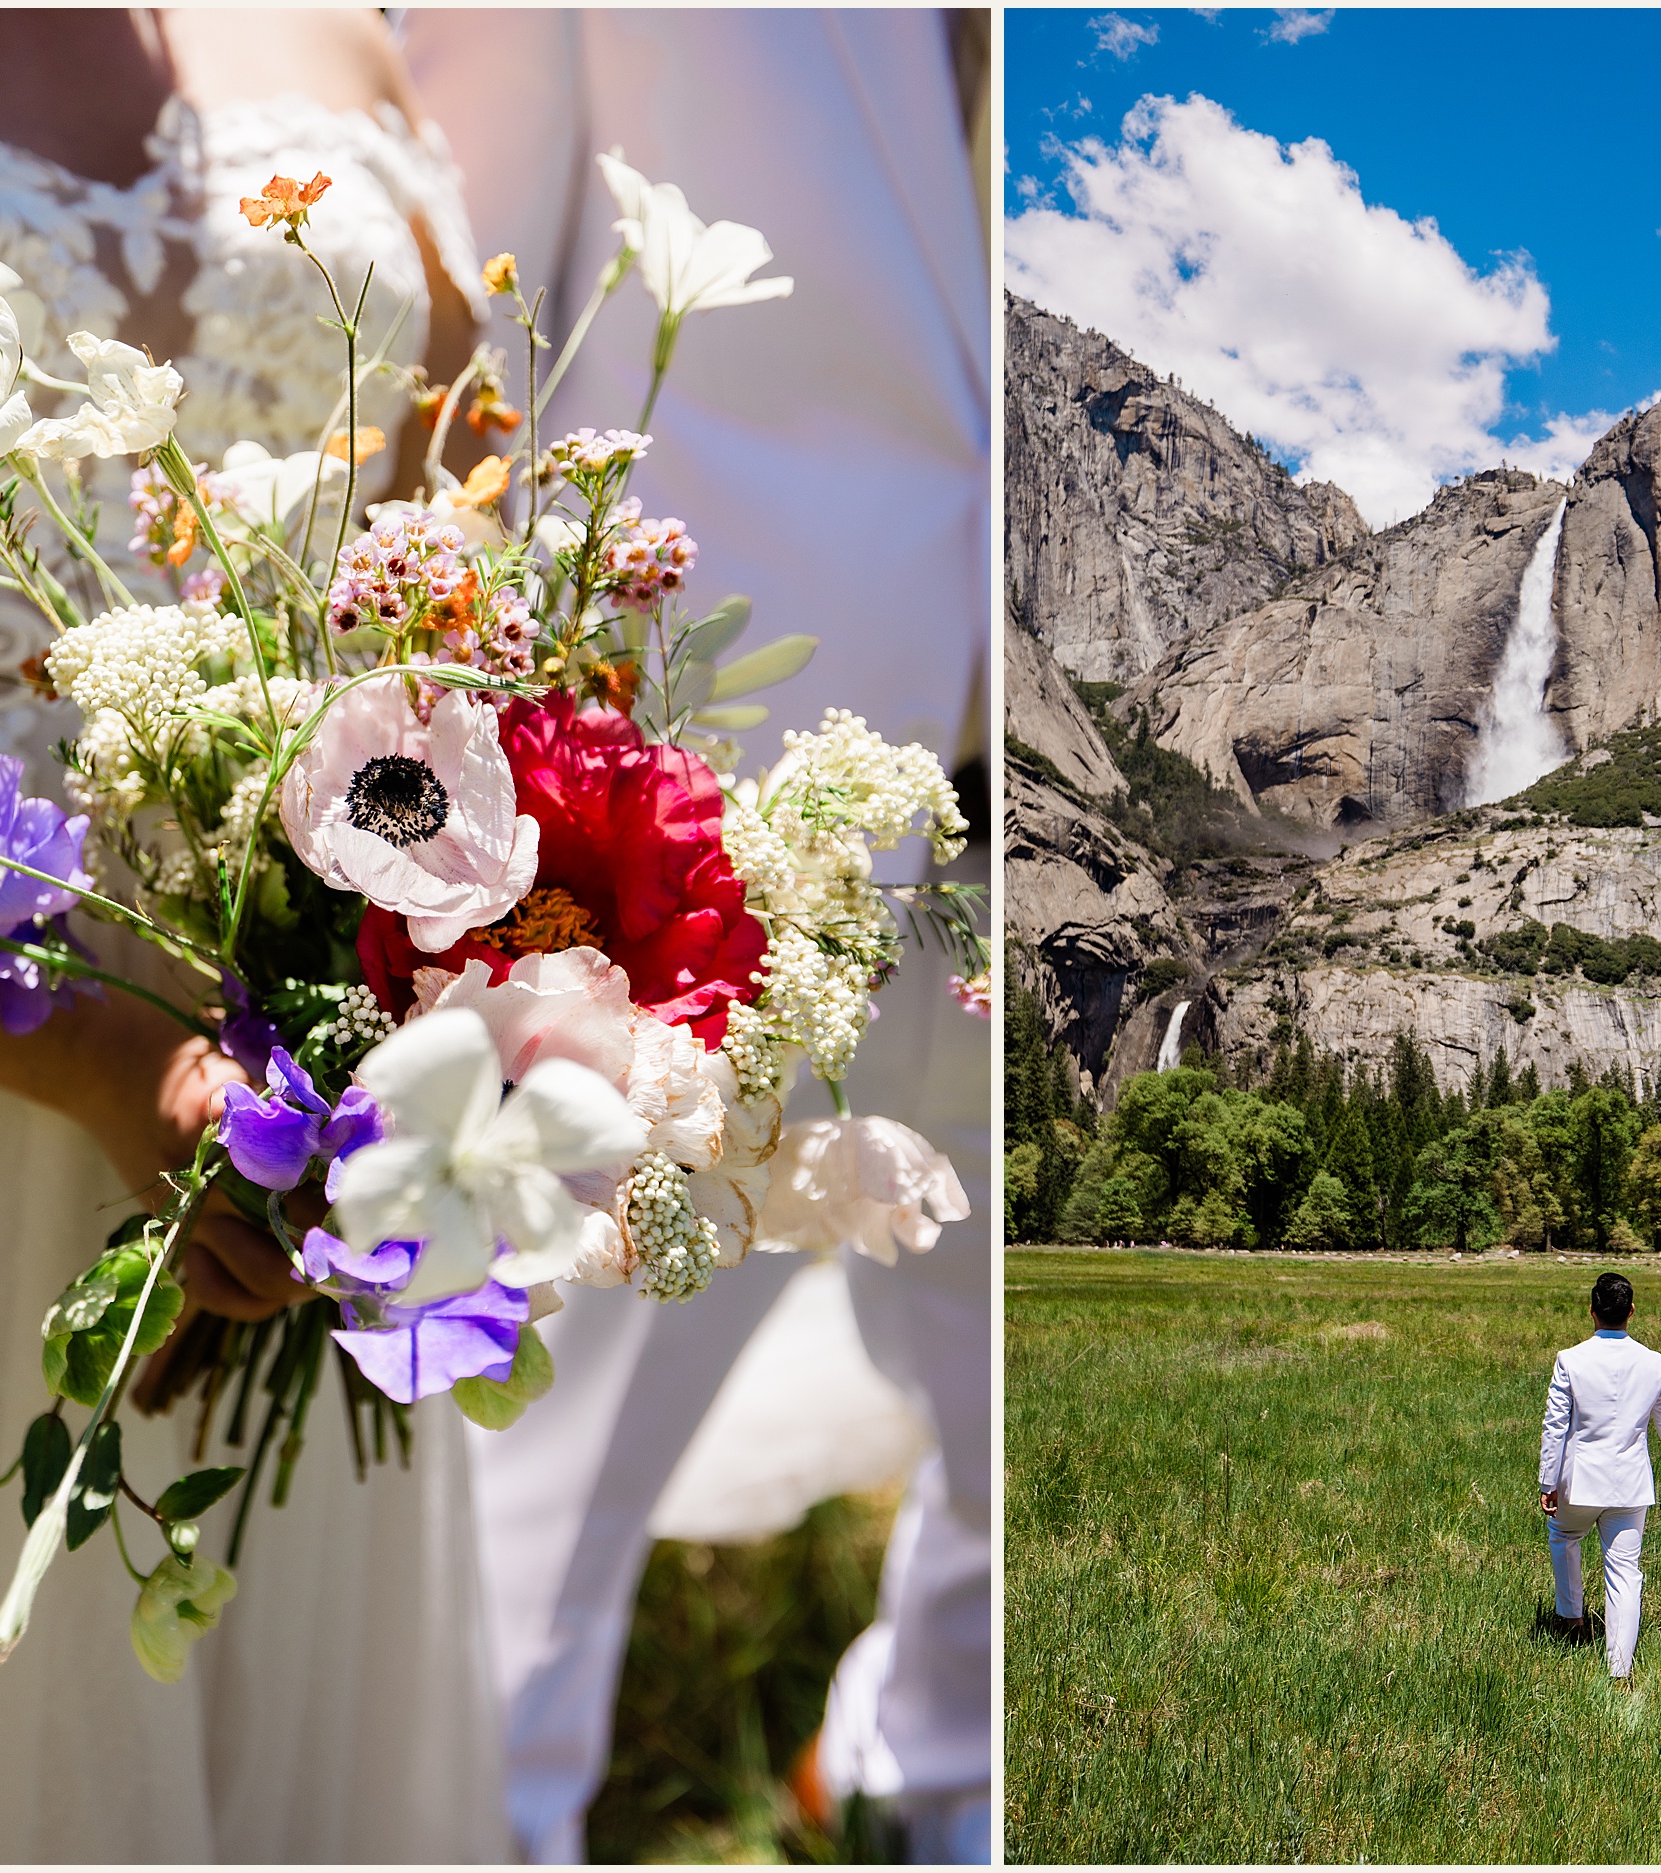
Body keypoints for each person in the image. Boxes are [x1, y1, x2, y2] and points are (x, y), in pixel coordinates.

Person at [0, 10, 507, 1857]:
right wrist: (107, 1050)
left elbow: (461, 556)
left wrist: (483, 968)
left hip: (278, 1121)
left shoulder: (338, 31)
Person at [396, 9, 991, 1861]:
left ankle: (937, 1761)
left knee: (1002, 1342)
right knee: (550, 1429)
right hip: (702, 781)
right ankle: (484, 1820)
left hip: (1043, 810)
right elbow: (459, 315)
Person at [1537, 1271, 1661, 1681]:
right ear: (1631, 1312)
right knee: (1625, 1571)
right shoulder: (1653, 1362)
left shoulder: (1571, 1358)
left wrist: (1548, 1481)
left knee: (1565, 1537)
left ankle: (1571, 1619)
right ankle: (1620, 1668)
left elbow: (1555, 1425)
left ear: (1592, 1311)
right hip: (1630, 1484)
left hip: (1579, 1481)